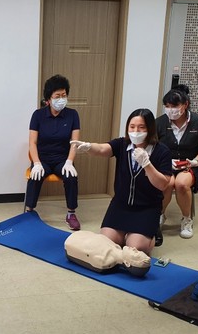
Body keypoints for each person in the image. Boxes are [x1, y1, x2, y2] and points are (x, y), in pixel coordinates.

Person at [71, 108, 172, 255]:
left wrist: (147, 164)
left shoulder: (162, 151)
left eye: (141, 127)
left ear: (150, 129)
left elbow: (163, 184)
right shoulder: (122, 144)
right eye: (132, 127)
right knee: (104, 244)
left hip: (147, 208)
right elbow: (101, 149)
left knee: (135, 248)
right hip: (120, 205)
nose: (135, 131)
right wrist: (88, 147)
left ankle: (150, 232)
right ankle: (127, 233)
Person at [155, 84, 198, 243]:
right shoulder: (159, 122)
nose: (170, 109)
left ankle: (187, 220)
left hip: (189, 166)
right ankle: (159, 214)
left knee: (180, 183)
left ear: (185, 105)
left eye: (174, 106)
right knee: (167, 183)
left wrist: (195, 161)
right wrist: (164, 161)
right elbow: (152, 147)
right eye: (167, 106)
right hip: (165, 165)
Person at [25, 74, 82, 230]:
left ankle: (71, 213)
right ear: (48, 100)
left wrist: (69, 161)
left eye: (64, 95)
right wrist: (36, 163)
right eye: (57, 96)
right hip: (42, 158)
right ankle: (29, 211)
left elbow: (74, 143)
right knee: (35, 177)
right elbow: (32, 142)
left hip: (62, 159)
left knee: (71, 176)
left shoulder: (72, 115)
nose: (61, 99)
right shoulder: (38, 115)